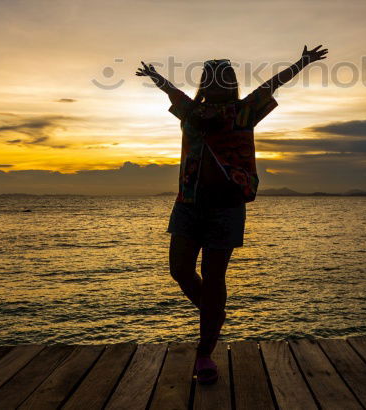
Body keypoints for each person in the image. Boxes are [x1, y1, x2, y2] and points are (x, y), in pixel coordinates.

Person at [135, 45, 328, 384]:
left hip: (226, 206)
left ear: (231, 83)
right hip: (189, 203)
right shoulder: (191, 113)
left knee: (213, 278)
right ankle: (215, 313)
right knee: (180, 269)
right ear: (205, 83)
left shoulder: (244, 111)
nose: (217, 82)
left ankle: (204, 353)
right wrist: (156, 78)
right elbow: (174, 92)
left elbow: (271, 86)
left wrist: (302, 62)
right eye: (211, 77)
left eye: (224, 77)